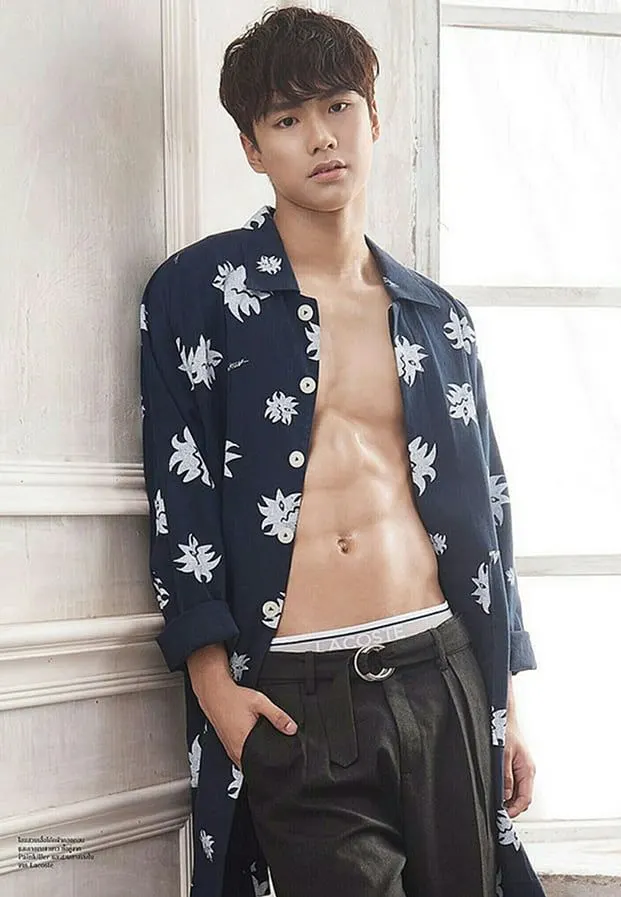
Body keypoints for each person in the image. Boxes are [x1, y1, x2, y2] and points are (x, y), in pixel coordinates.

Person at [139, 5, 546, 896]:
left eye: (337, 107)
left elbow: (488, 510)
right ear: (252, 148)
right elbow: (181, 494)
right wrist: (213, 687)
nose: (320, 137)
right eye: (287, 119)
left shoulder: (436, 316)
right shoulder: (198, 293)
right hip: (297, 693)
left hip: (442, 669)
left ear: (373, 117)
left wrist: (505, 704)